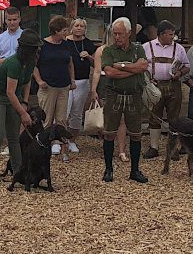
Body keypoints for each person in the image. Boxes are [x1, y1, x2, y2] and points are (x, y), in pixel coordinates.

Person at [0, 30, 43, 186]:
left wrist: (25, 102)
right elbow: (9, 91)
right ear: (28, 49)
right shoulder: (13, 63)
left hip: (14, 97)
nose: (38, 51)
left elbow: (27, 82)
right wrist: (23, 114)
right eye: (35, 48)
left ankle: (18, 172)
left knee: (14, 137)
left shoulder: (31, 62)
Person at [99, 17, 149, 183]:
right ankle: (108, 169)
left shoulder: (138, 49)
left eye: (120, 34)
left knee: (135, 133)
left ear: (128, 33)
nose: (117, 37)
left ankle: (135, 170)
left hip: (134, 94)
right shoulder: (108, 51)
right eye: (115, 34)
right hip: (114, 93)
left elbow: (143, 67)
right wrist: (133, 69)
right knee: (109, 133)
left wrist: (120, 65)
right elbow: (109, 73)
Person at [143, 20, 190, 159]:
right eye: (170, 34)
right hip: (154, 86)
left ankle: (173, 148)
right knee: (154, 117)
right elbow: (140, 65)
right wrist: (146, 79)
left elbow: (187, 65)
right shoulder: (147, 47)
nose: (172, 37)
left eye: (173, 34)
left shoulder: (179, 48)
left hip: (173, 85)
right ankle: (154, 147)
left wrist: (180, 73)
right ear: (161, 34)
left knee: (174, 119)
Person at [34, 15, 76, 157]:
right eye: (64, 30)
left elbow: (70, 63)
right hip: (48, 86)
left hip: (63, 85)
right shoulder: (42, 45)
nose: (66, 33)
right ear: (56, 31)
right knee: (46, 118)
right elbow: (34, 65)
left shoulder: (66, 44)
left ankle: (63, 148)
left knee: (62, 118)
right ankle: (43, 147)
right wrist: (39, 81)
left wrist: (72, 80)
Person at [65, 18, 98, 150]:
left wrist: (89, 56)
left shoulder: (89, 44)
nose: (79, 28)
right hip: (66, 81)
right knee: (64, 111)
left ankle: (72, 140)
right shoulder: (65, 42)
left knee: (77, 112)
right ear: (72, 27)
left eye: (82, 26)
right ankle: (58, 141)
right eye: (76, 26)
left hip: (83, 81)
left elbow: (96, 64)